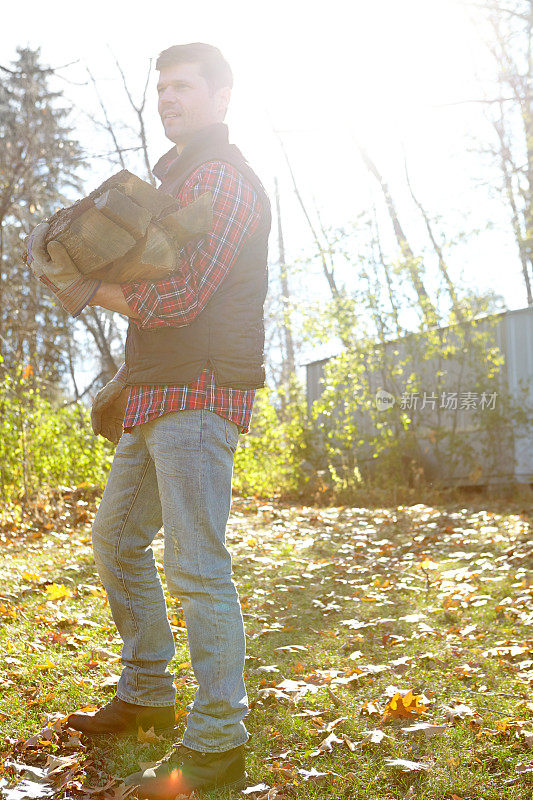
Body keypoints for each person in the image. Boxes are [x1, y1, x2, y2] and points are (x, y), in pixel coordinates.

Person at [25, 42, 271, 797]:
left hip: (199, 392)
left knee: (197, 566)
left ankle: (216, 746)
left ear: (222, 97)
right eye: (161, 88)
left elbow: (180, 302)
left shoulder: (224, 181)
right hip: (155, 393)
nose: (169, 99)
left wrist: (83, 286)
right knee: (115, 538)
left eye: (184, 88)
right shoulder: (175, 179)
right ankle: (147, 696)